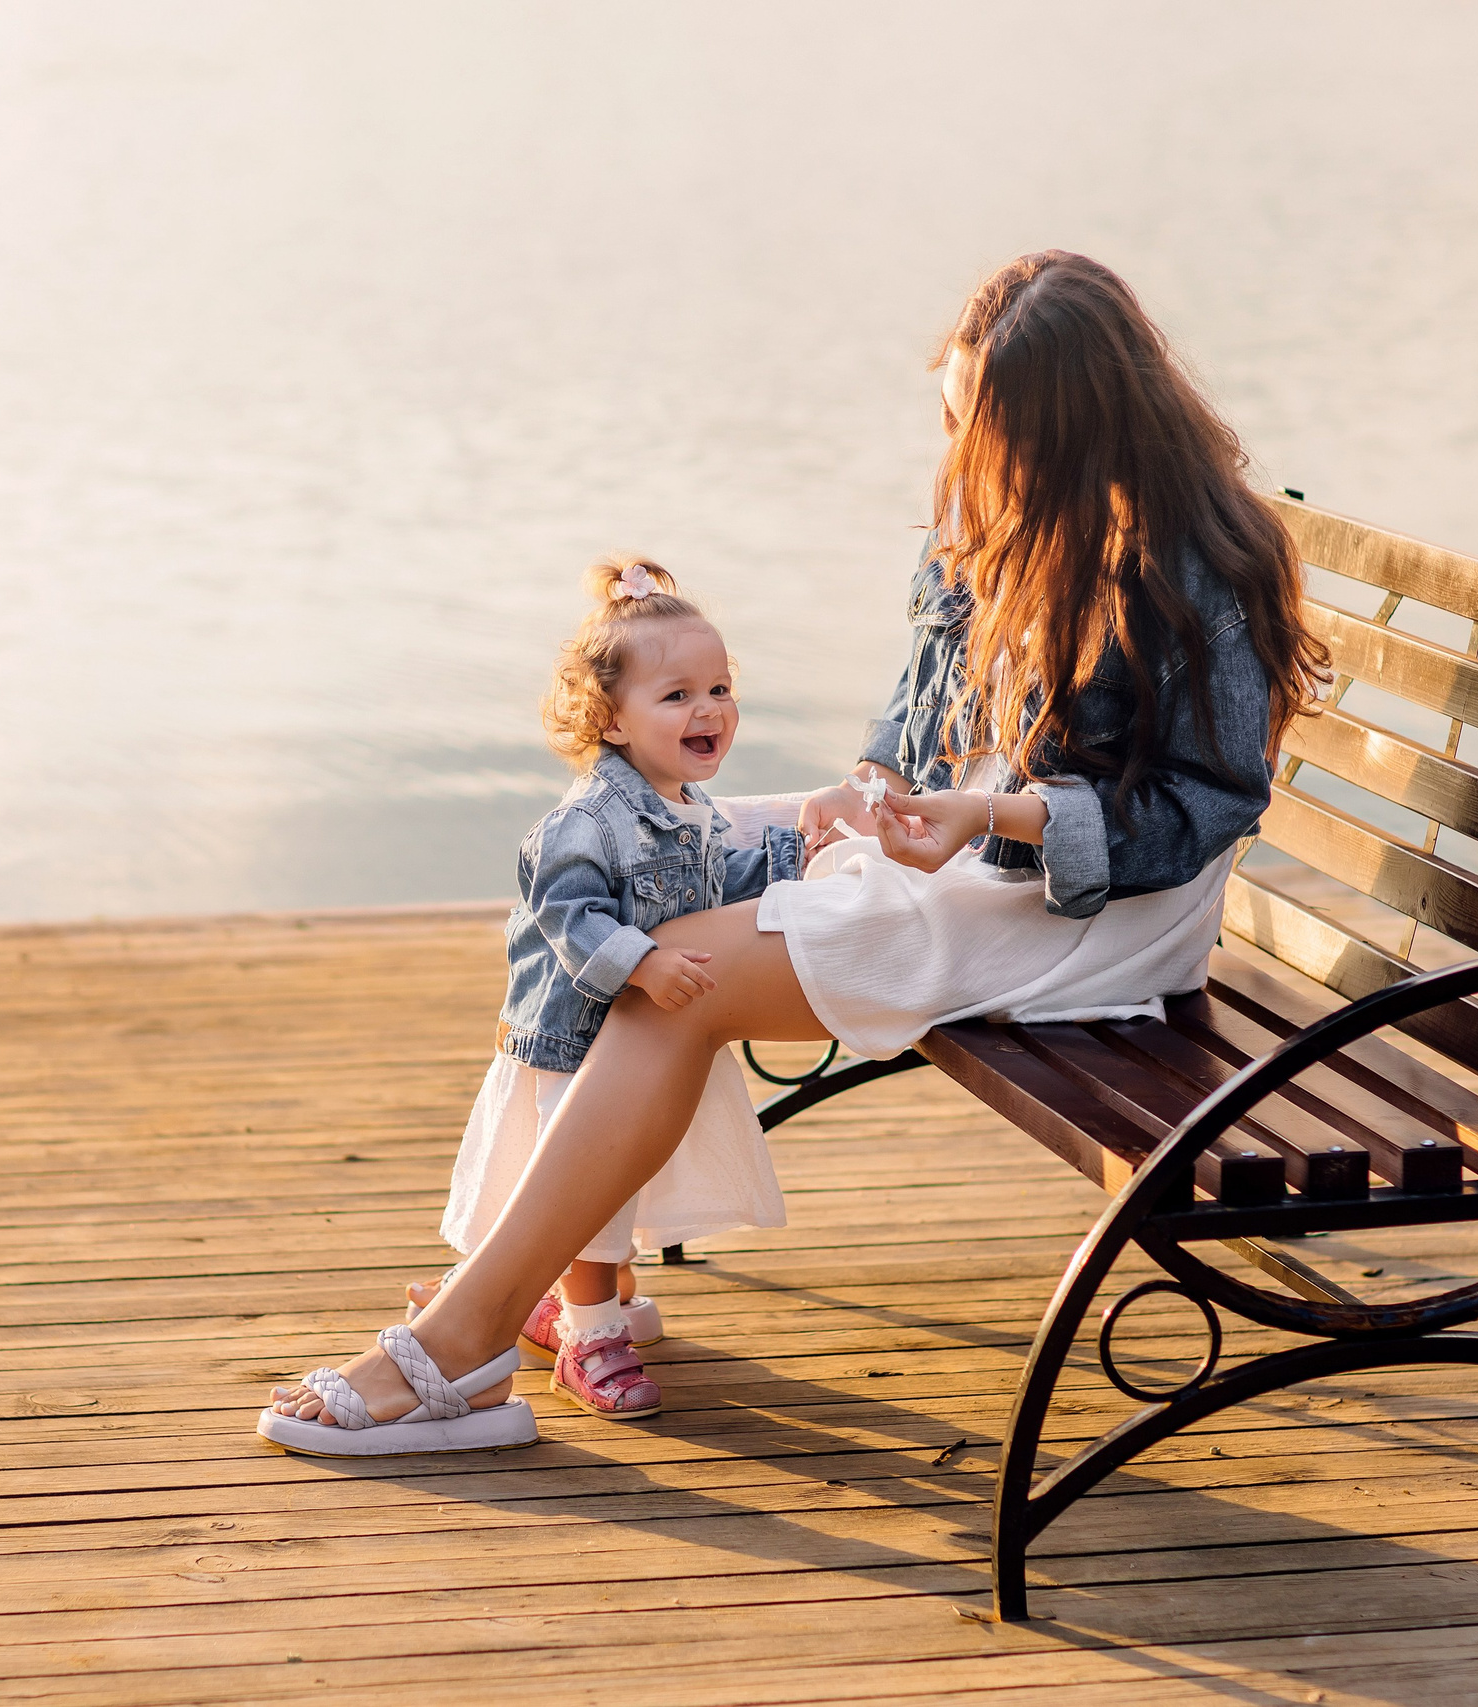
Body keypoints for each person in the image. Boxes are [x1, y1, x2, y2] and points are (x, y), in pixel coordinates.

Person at [261, 250, 1330, 1452]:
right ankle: (559, 1286)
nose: (956, 453)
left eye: (980, 426)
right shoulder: (1003, 513)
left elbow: (1198, 814)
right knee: (626, 864)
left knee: (683, 973)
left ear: (1066, 427)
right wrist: (874, 784)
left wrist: (996, 817)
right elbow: (923, 711)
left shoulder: (1195, 567)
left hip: (1098, 917)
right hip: (969, 852)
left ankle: (467, 1345)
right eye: (953, 415)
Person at [257, 556, 803, 1456]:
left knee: (622, 1189)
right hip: (576, 1045)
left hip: (646, 1037)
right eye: (676, 696)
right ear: (609, 716)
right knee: (593, 1202)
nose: (707, 711)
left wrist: (796, 850)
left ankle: (570, 1299)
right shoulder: (583, 821)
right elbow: (567, 915)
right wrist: (639, 963)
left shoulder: (689, 805)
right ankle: (590, 1335)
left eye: (720, 688)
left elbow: (717, 873)